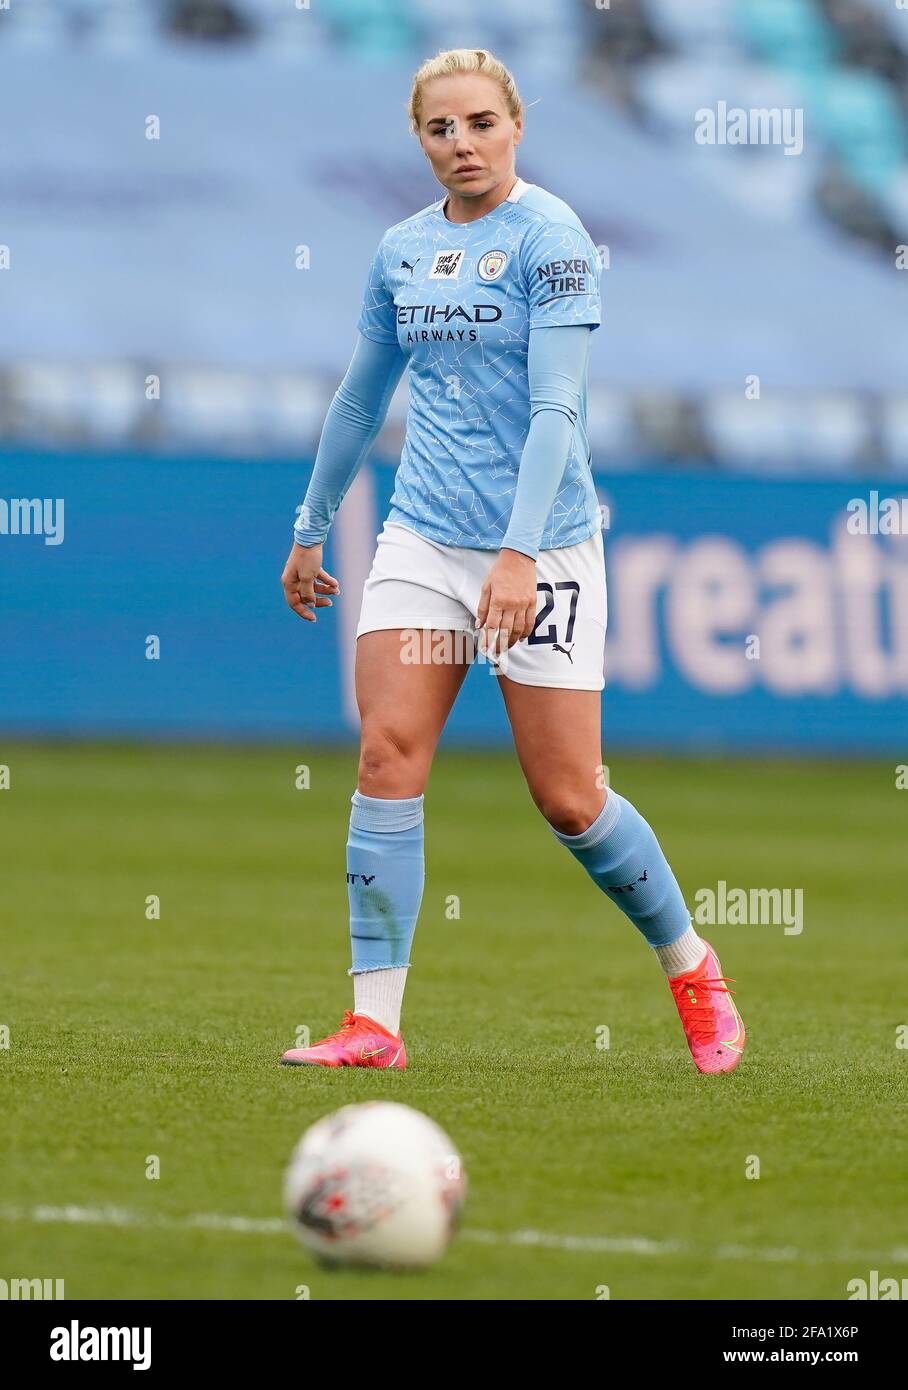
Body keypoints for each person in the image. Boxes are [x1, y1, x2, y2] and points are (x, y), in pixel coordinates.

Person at [279, 48, 745, 1075]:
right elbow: (360, 401)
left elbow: (554, 409)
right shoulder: (399, 251)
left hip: (541, 545)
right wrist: (311, 527)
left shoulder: (552, 238)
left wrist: (518, 555)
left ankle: (689, 964)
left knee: (568, 796)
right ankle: (375, 1024)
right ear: (419, 139)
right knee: (384, 757)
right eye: (441, 129)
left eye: (480, 123)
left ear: (515, 125)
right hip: (419, 534)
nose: (462, 145)